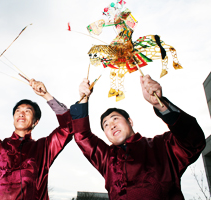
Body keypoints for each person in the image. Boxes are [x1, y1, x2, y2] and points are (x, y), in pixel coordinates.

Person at [70, 75, 205, 199]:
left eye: (115, 118)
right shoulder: (106, 159)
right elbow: (82, 137)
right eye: (105, 125)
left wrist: (160, 104)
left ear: (130, 121)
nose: (111, 125)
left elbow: (193, 141)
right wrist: (83, 99)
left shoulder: (163, 146)